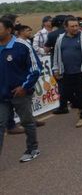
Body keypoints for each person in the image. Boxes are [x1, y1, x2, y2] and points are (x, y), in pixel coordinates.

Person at [0, 17, 42, 162]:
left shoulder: (22, 45)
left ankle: (32, 149)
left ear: (9, 30)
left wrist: (24, 87)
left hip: (20, 93)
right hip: (1, 95)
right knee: (1, 124)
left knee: (27, 122)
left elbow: (36, 69)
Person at [52, 16, 82, 128]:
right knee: (66, 94)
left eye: (76, 25)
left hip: (81, 72)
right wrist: (56, 68)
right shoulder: (60, 39)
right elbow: (56, 55)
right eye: (72, 26)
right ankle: (80, 106)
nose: (75, 28)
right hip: (65, 72)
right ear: (66, 27)